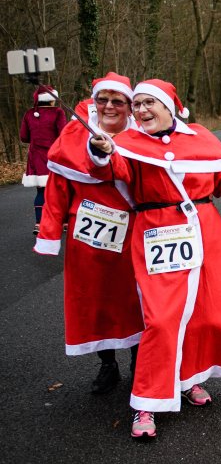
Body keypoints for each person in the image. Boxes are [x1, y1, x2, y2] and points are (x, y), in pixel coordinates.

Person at [88, 78, 221, 439]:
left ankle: (189, 379)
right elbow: (113, 171)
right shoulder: (127, 144)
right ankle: (147, 402)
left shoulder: (200, 137)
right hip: (157, 231)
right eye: (136, 104)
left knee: (206, 312)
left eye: (148, 103)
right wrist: (102, 152)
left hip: (206, 233)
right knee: (161, 317)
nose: (140, 110)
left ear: (169, 107)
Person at [34, 72, 144, 394]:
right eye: (102, 99)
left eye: (118, 101)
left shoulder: (142, 137)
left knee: (136, 301)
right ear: (94, 101)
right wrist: (50, 235)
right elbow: (56, 189)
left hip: (132, 235)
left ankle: (141, 362)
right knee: (94, 302)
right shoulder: (73, 135)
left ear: (129, 105)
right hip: (88, 240)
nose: (109, 106)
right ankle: (107, 365)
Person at [20, 84, 67, 234]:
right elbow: (63, 135)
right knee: (61, 190)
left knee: (41, 191)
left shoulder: (29, 114)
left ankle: (39, 223)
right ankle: (65, 222)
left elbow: (24, 137)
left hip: (36, 157)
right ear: (52, 99)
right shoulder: (58, 113)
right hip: (55, 156)